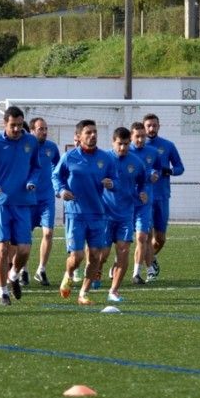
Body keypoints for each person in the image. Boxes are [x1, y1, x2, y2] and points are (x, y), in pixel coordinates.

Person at [0, 106, 42, 306]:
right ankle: (2, 291)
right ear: (4, 124)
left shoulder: (30, 141)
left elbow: (37, 167)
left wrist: (32, 181)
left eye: (19, 125)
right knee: (3, 248)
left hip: (23, 203)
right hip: (0, 203)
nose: (16, 129)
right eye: (12, 125)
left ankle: (13, 275)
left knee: (24, 249)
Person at [54, 120, 114, 304]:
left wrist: (112, 184)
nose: (93, 135)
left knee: (96, 255)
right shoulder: (69, 157)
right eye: (88, 132)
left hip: (97, 214)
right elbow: (56, 176)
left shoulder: (105, 158)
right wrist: (61, 190)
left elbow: (115, 178)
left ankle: (83, 294)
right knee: (77, 256)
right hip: (76, 214)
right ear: (79, 137)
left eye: (95, 132)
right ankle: (69, 274)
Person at [102, 126, 148, 303]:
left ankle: (114, 291)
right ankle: (96, 271)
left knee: (123, 251)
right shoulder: (103, 159)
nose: (123, 148)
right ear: (113, 142)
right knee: (102, 255)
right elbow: (92, 179)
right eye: (120, 144)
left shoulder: (136, 163)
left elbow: (142, 183)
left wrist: (142, 192)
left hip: (125, 216)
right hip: (105, 215)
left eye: (126, 144)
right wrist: (103, 183)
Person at [143, 113, 184, 281]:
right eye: (148, 126)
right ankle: (148, 265)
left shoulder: (168, 146)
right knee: (144, 236)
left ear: (159, 126)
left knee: (160, 239)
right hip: (143, 198)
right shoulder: (137, 147)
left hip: (162, 197)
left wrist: (171, 171)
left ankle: (149, 257)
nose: (151, 128)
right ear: (144, 127)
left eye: (154, 125)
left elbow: (180, 167)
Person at [28, 116, 60, 286]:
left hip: (47, 197)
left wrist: (57, 185)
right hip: (28, 198)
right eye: (41, 129)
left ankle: (41, 269)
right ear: (32, 130)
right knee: (25, 236)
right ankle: (22, 269)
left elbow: (58, 166)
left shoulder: (51, 147)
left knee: (48, 233)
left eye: (46, 128)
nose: (45, 132)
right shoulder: (25, 147)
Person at [128, 122, 158, 285]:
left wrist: (155, 174)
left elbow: (156, 169)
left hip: (145, 201)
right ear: (131, 137)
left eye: (142, 136)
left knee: (142, 236)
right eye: (137, 136)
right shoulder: (124, 152)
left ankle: (137, 273)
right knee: (122, 240)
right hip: (126, 202)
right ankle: (117, 265)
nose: (140, 139)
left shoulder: (152, 152)